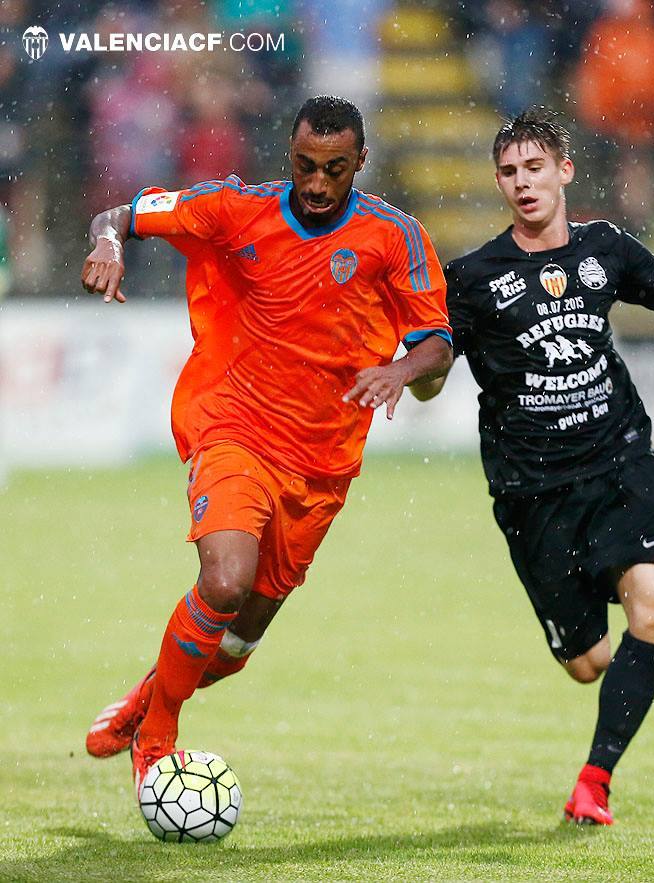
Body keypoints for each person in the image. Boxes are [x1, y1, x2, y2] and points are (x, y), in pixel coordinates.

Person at [80, 95, 453, 797]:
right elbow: (120, 215)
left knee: (236, 643)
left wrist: (401, 369)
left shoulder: (394, 236)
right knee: (223, 580)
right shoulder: (235, 206)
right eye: (306, 166)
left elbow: (436, 340)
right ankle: (157, 740)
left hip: (322, 466)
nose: (316, 184)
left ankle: (143, 701)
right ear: (290, 154)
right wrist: (107, 242)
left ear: (360, 164)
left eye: (334, 170)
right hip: (235, 430)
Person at [417, 107, 654, 825]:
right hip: (533, 493)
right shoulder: (472, 278)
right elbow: (436, 366)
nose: (522, 182)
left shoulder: (607, 248)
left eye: (535, 168)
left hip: (621, 464)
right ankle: (588, 632)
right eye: (508, 172)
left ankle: (593, 780)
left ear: (564, 171)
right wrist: (409, 373)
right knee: (588, 662)